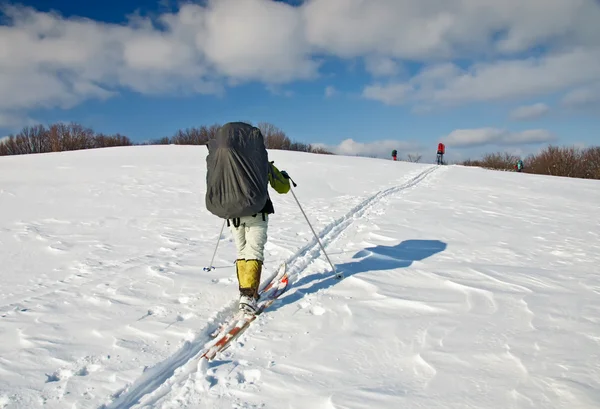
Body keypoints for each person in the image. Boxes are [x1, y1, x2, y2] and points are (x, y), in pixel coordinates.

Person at [205, 122, 291, 314]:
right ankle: (249, 295)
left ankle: (245, 291)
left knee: (242, 251)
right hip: (256, 213)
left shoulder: (223, 163)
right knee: (254, 251)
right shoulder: (260, 163)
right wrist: (283, 177)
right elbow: (283, 188)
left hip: (233, 215)